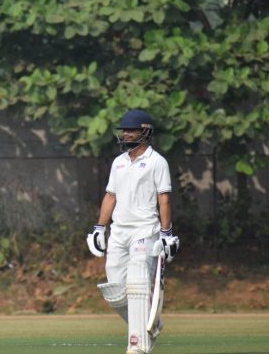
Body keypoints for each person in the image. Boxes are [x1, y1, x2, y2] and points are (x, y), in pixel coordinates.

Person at [86, 109, 180, 354]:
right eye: (124, 131)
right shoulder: (118, 162)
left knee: (138, 282)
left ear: (145, 131)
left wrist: (166, 232)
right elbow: (110, 196)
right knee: (114, 289)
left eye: (131, 130)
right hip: (118, 232)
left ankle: (137, 346)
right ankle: (152, 322)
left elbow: (164, 200)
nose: (126, 134)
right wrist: (99, 228)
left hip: (144, 230)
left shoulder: (157, 162)